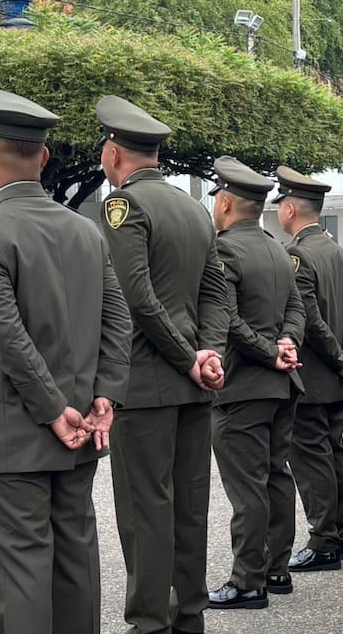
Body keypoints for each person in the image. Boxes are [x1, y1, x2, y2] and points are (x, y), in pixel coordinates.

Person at [0, 89, 132, 634]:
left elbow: (8, 336)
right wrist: (104, 398)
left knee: (21, 580)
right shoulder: (86, 229)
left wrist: (53, 409)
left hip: (16, 437)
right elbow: (118, 321)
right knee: (75, 569)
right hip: (83, 430)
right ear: (45, 158)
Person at [94, 95, 228, 634]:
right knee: (190, 504)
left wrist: (187, 357)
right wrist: (208, 352)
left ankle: (150, 621)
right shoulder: (193, 208)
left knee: (146, 508)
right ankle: (189, 615)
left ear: (112, 152)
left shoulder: (123, 207)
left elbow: (137, 299)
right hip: (195, 383)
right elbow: (217, 290)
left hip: (148, 384)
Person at [207, 156, 306, 610]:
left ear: (225, 202)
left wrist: (269, 352)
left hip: (244, 385)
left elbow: (225, 320)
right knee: (275, 476)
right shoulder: (278, 250)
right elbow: (298, 310)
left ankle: (248, 579)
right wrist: (286, 343)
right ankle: (276, 568)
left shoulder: (224, 250)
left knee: (248, 486)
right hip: (282, 385)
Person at [274, 167, 343, 574]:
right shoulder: (332, 248)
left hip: (314, 370)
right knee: (334, 449)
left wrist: (336, 356)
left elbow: (308, 319)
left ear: (290, 208)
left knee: (310, 455)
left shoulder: (299, 253)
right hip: (337, 370)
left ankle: (324, 538)